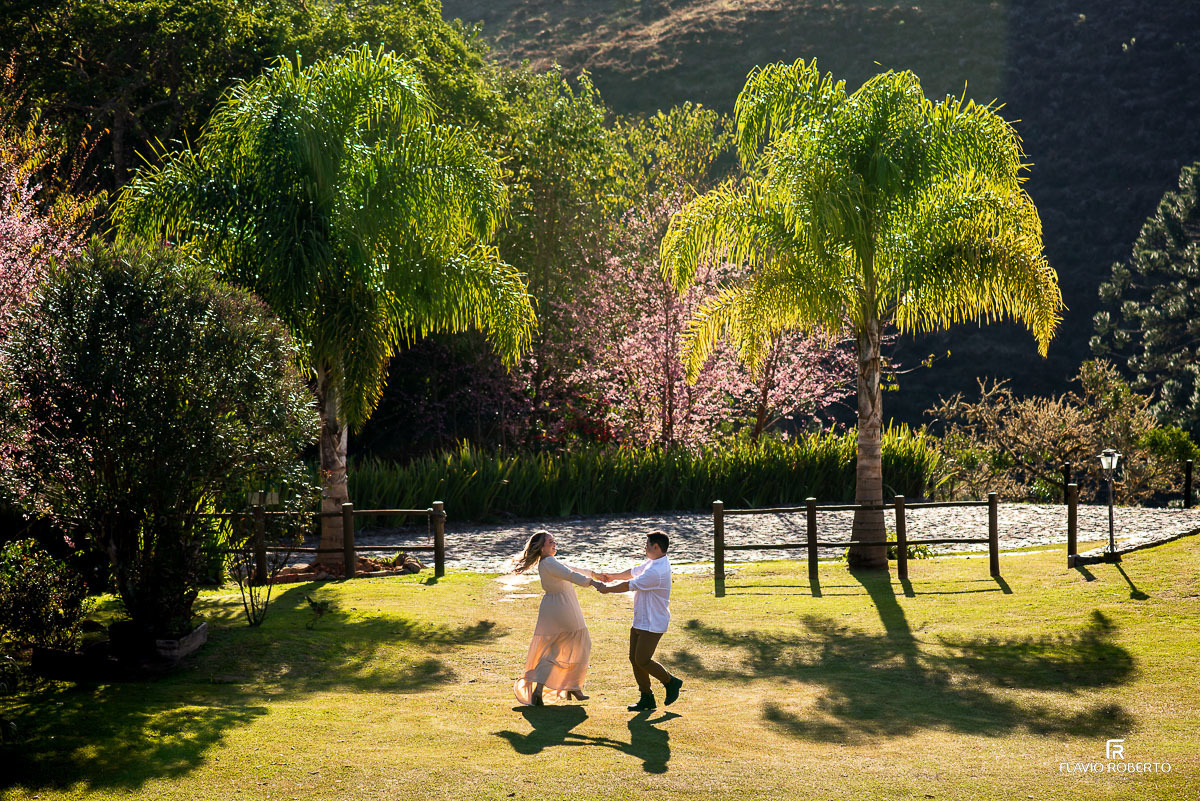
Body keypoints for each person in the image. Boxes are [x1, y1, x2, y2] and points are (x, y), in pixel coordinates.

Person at [593, 530, 684, 711]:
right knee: (635, 659)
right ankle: (647, 698)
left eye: (647, 545)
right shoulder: (653, 562)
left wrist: (607, 589)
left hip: (653, 623)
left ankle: (671, 682)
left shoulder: (657, 571)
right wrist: (612, 576)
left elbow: (629, 585)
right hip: (641, 619)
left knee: (642, 660)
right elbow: (633, 573)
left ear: (656, 547)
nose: (645, 547)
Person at [512, 530, 598, 706]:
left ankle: (540, 690)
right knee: (582, 642)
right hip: (562, 607)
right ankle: (572, 686)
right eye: (550, 542)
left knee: (555, 650)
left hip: (555, 606)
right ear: (542, 548)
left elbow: (571, 570)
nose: (554, 544)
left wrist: (594, 574)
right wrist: (595, 583)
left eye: (553, 541)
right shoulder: (549, 562)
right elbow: (571, 575)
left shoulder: (548, 562)